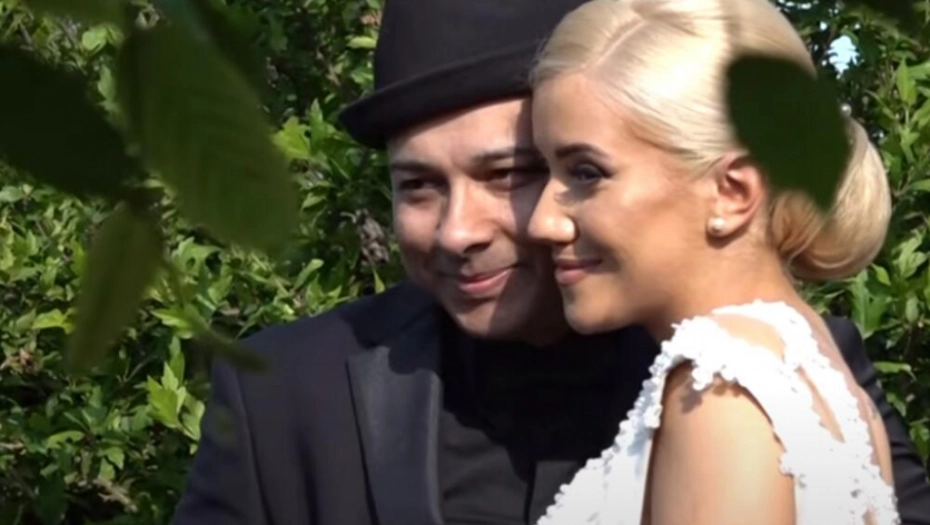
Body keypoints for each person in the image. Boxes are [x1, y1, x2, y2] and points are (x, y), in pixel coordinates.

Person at [170, 0, 930, 524]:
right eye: (419, 186)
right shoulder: (281, 392)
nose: (458, 232)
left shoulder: (745, 382)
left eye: (511, 174)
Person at [525, 0, 918, 523]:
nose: (541, 222)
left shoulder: (720, 392)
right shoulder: (820, 378)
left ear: (732, 193)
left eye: (586, 173)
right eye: (544, 171)